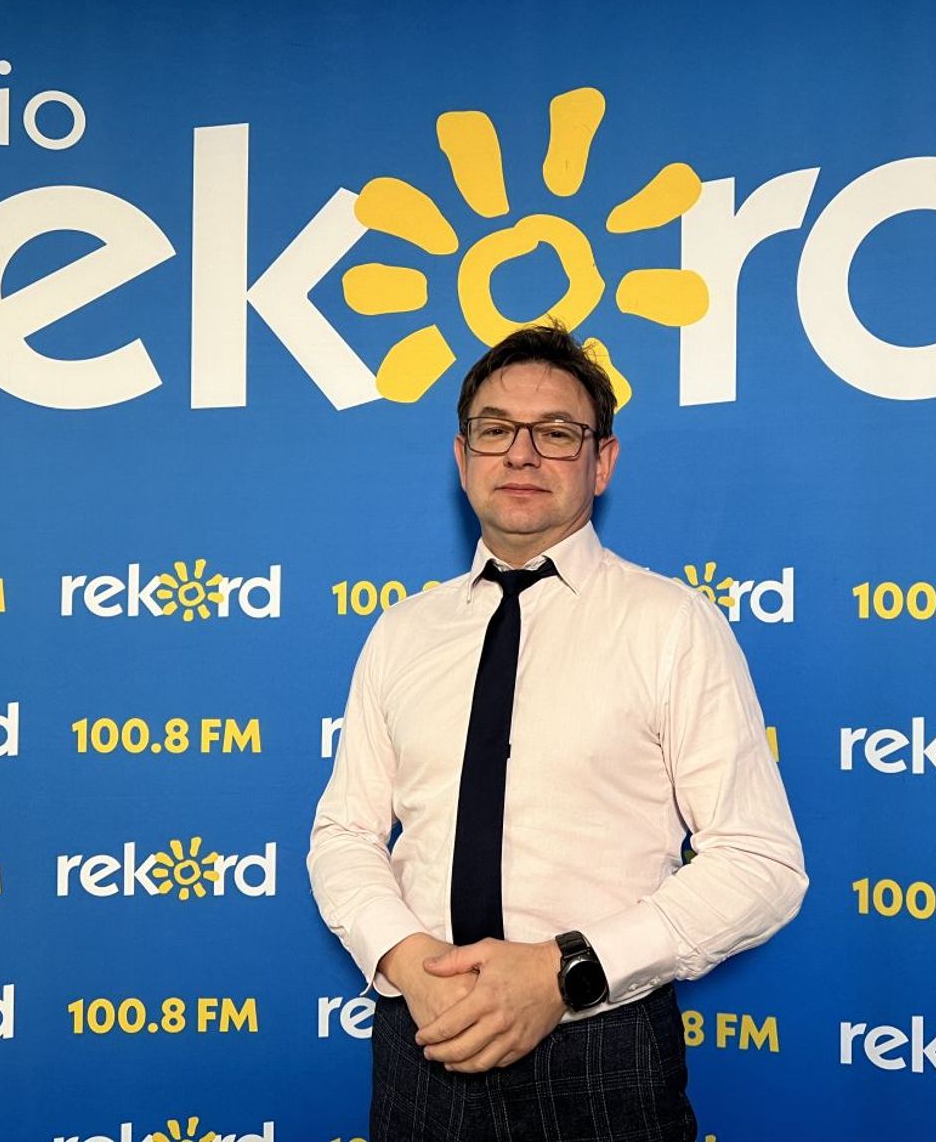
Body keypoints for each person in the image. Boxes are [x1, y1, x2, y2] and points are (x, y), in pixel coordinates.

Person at [308, 324, 807, 1142]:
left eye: (556, 433)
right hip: (421, 1042)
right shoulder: (402, 631)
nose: (521, 453)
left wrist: (564, 972)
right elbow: (344, 833)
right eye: (496, 430)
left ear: (601, 462)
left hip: (600, 1050)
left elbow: (761, 862)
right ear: (462, 456)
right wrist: (407, 961)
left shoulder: (671, 625)